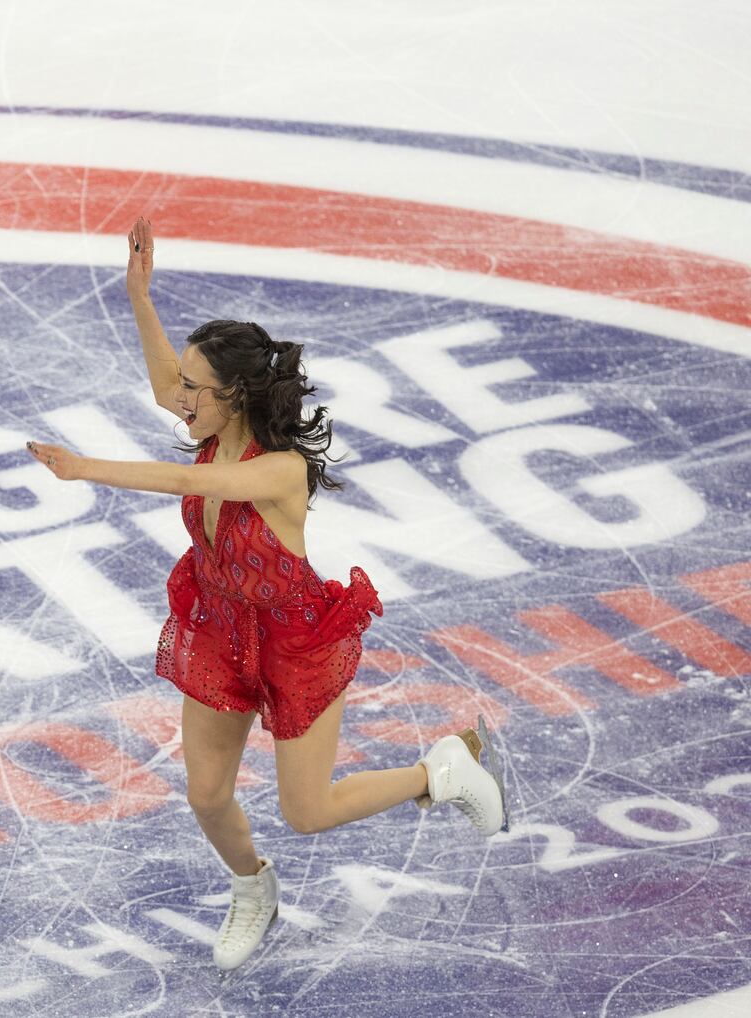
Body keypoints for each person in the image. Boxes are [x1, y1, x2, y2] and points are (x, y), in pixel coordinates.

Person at [26, 217, 506, 969]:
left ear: (236, 396)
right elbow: (163, 388)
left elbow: (190, 480)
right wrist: (138, 296)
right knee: (207, 796)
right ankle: (252, 887)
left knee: (306, 811)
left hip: (294, 640)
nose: (178, 398)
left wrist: (85, 471)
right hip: (218, 627)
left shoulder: (277, 470)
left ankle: (440, 771)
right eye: (183, 383)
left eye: (194, 388)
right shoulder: (211, 423)